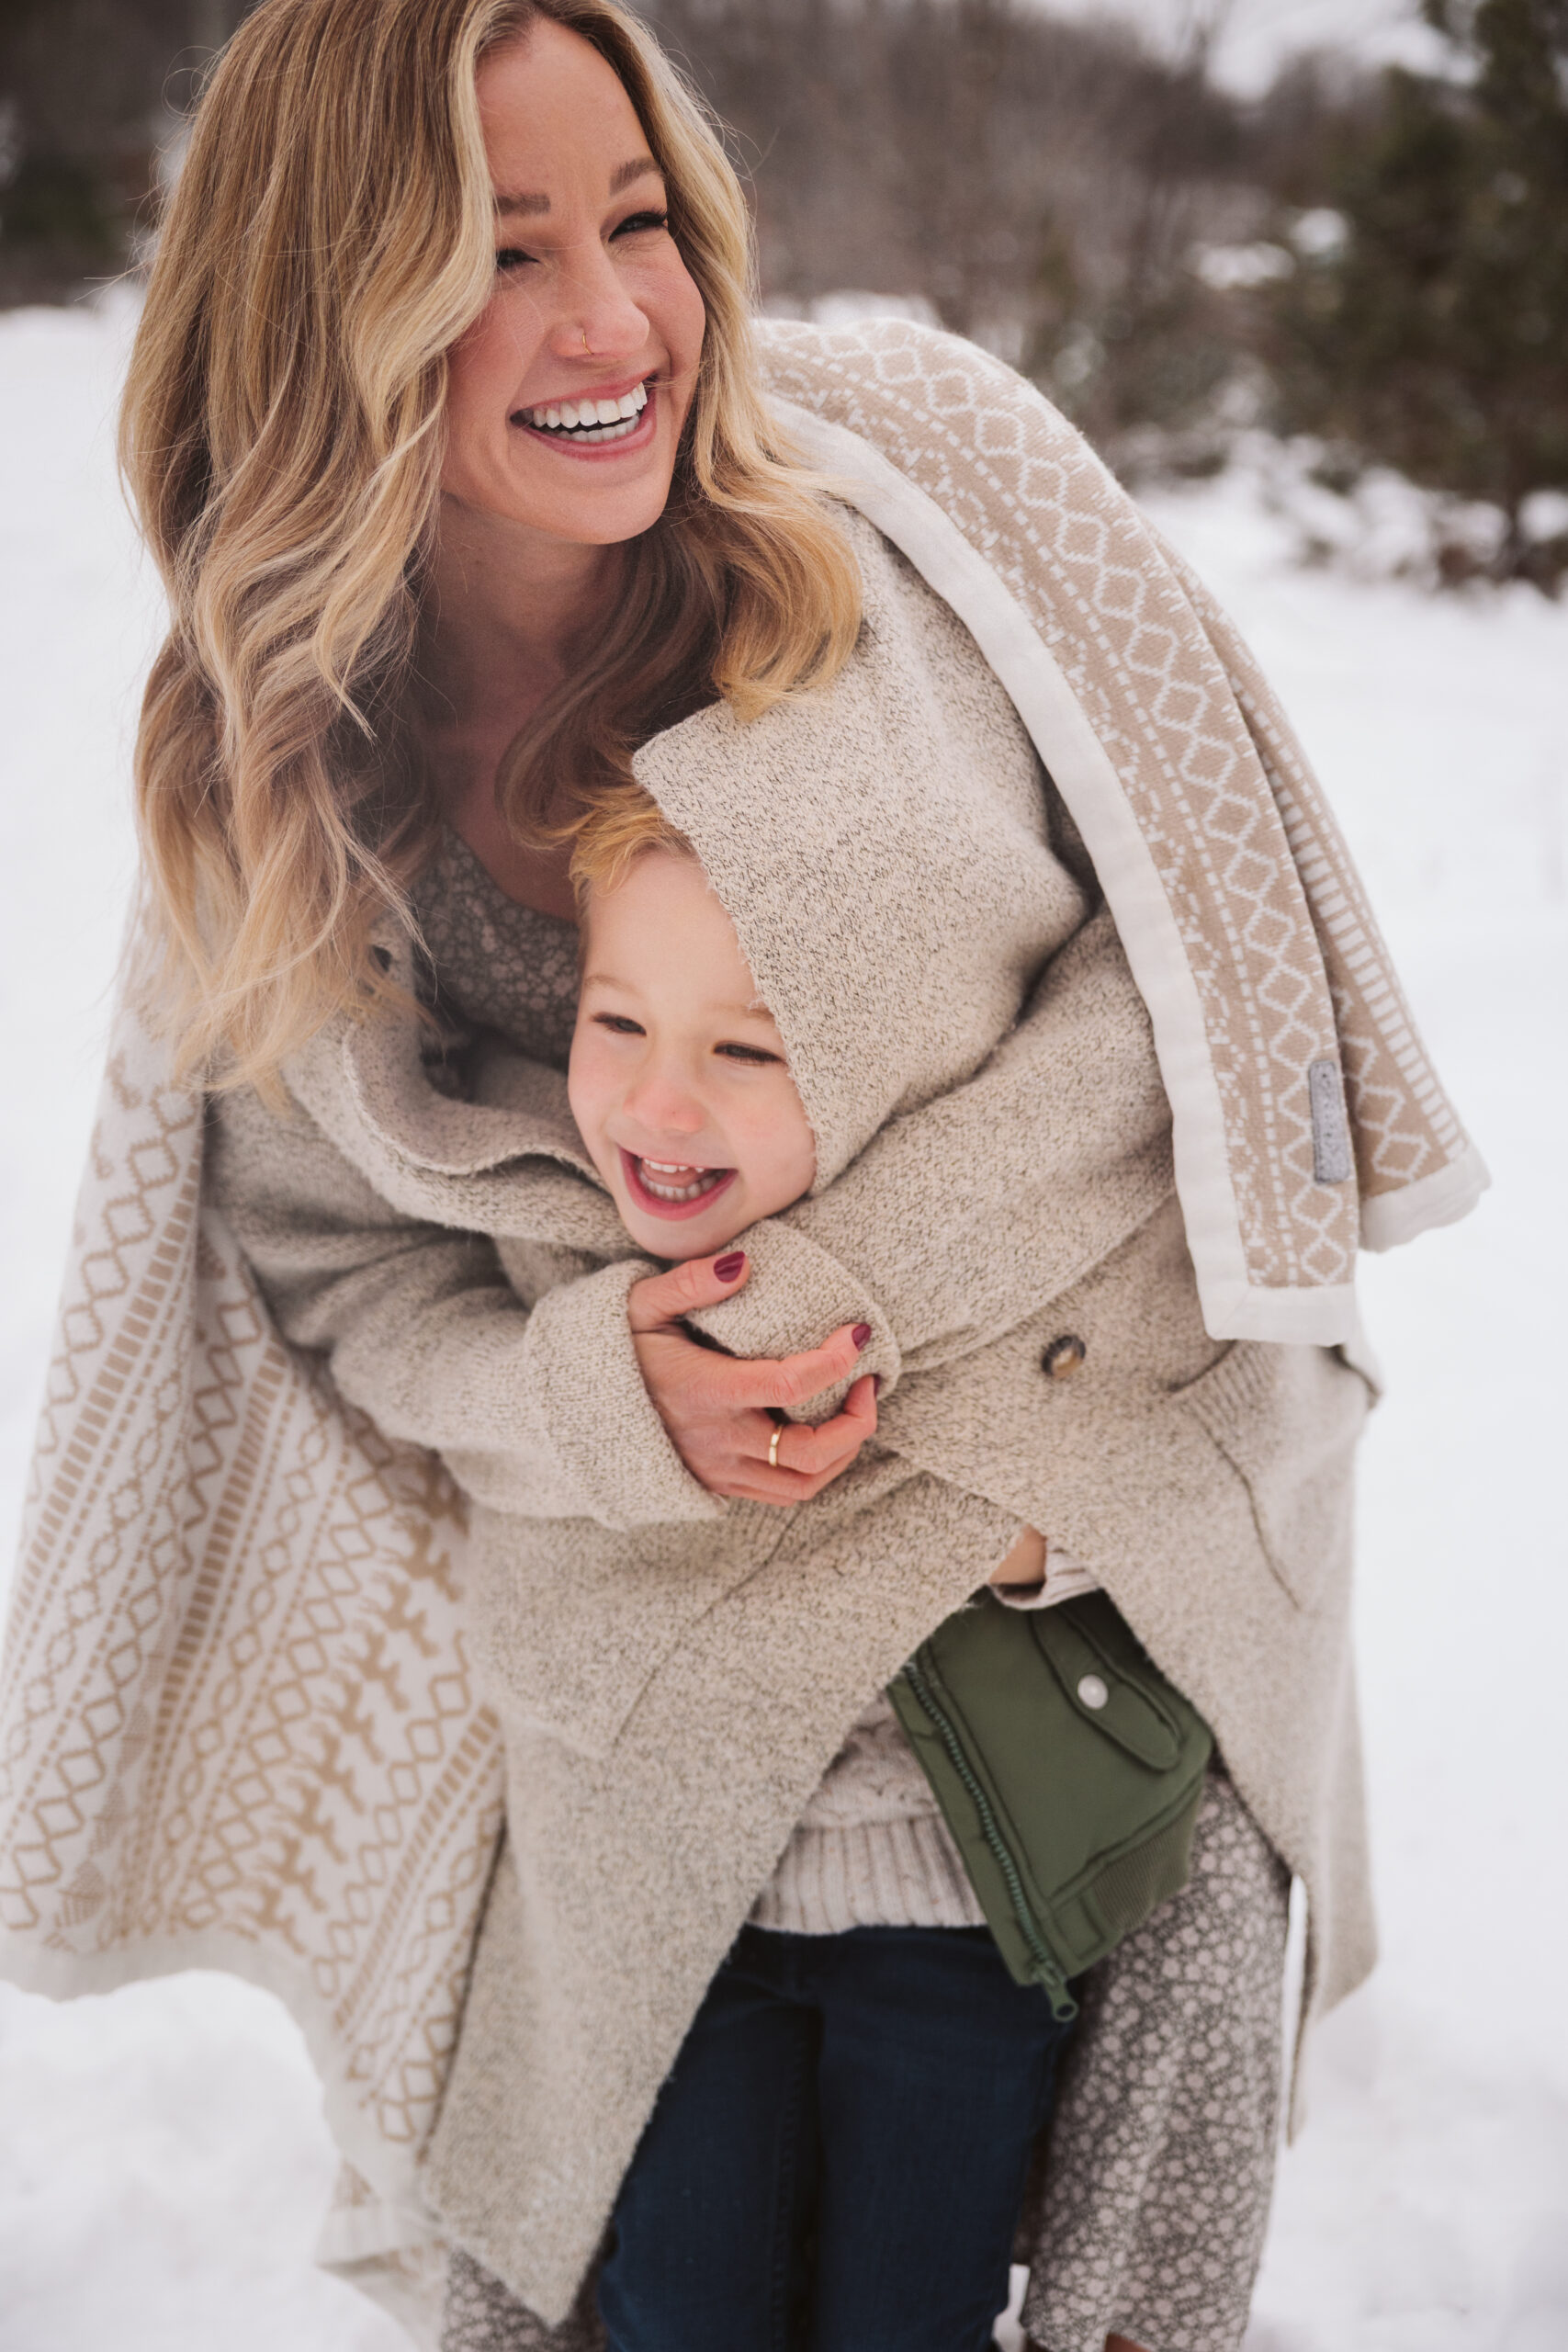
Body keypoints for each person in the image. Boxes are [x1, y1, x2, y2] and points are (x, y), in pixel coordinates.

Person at [0, 0, 1488, 2347]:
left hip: (1056, 1574)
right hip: (643, 1690)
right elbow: (331, 1259)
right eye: (501, 252)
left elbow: (1192, 988)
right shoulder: (284, 778)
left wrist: (826, 1297)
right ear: (331, 307)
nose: (615, 319)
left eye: (640, 221)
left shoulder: (878, 565)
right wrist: (604, 1387)